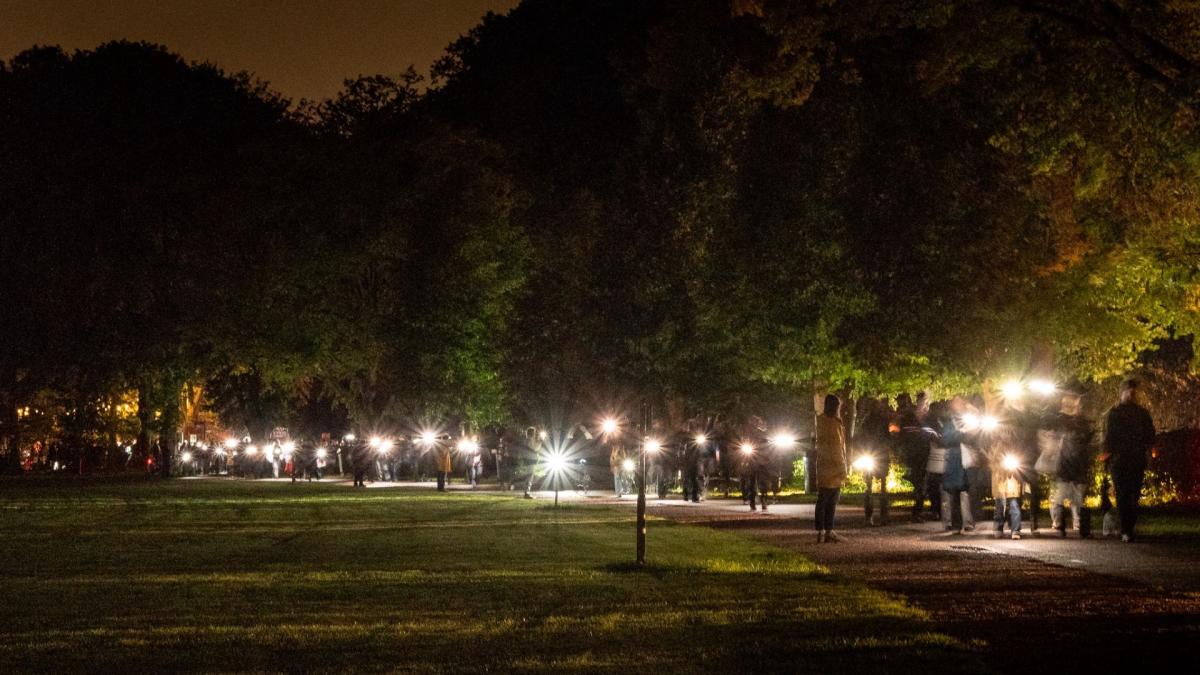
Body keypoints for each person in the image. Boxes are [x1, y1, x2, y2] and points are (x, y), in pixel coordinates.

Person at [1102, 379, 1155, 543]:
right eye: (1130, 392)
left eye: (1133, 392)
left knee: (1131, 494)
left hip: (1131, 458)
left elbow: (1149, 434)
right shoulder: (1118, 413)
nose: (1132, 395)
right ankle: (1127, 528)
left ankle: (1127, 528)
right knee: (1125, 494)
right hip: (1123, 459)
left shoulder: (1136, 413)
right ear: (1123, 392)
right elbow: (1110, 436)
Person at [1045, 392, 1094, 536]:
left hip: (1069, 464)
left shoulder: (1068, 422)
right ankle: (1071, 526)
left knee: (1068, 496)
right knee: (1073, 497)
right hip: (1072, 464)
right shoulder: (1077, 423)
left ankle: (1064, 525)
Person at [815, 394, 849, 542]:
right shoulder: (835, 424)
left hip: (823, 465)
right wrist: (843, 468)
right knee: (831, 501)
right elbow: (837, 448)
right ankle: (828, 530)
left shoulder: (820, 421)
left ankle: (821, 531)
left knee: (822, 499)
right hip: (834, 467)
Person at [897, 394, 932, 522]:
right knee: (918, 482)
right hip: (914, 454)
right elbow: (904, 433)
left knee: (921, 483)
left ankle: (917, 511)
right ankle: (916, 512)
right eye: (923, 402)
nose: (925, 405)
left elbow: (932, 432)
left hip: (925, 453)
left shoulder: (927, 418)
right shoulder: (910, 417)